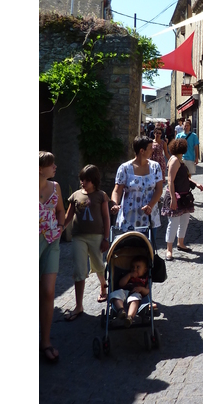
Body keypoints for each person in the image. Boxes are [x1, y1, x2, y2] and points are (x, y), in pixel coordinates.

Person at [63, 164, 110, 321]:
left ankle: (103, 287)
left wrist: (106, 238)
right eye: (82, 179)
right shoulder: (75, 195)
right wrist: (59, 229)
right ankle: (79, 305)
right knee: (79, 270)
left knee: (98, 266)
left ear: (94, 180)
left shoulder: (101, 195)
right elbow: (68, 216)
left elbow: (106, 218)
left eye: (87, 180)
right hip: (78, 237)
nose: (83, 182)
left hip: (96, 237)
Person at [111, 136, 164, 249]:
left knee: (148, 251)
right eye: (150, 148)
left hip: (149, 216)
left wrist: (150, 205)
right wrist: (115, 204)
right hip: (129, 217)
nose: (152, 150)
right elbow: (117, 190)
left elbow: (159, 190)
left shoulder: (155, 167)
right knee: (127, 251)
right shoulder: (124, 168)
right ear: (142, 150)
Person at [39, 151, 66, 364]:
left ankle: (45, 342)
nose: (55, 167)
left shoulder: (55, 187)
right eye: (51, 164)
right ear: (40, 169)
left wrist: (60, 226)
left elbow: (60, 211)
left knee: (48, 292)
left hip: (51, 243)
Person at [161, 138, 203, 261]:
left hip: (184, 196)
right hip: (176, 196)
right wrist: (173, 198)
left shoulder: (179, 160)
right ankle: (169, 250)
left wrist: (196, 183)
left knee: (185, 221)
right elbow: (170, 181)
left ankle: (181, 243)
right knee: (173, 223)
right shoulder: (174, 160)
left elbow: (184, 177)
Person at [109, 255, 150, 327]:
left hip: (135, 293)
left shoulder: (145, 279)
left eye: (138, 267)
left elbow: (147, 291)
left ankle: (130, 317)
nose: (134, 269)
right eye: (133, 267)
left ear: (145, 270)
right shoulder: (128, 275)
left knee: (135, 300)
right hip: (124, 291)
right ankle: (120, 310)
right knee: (116, 294)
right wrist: (129, 276)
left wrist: (141, 289)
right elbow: (121, 284)